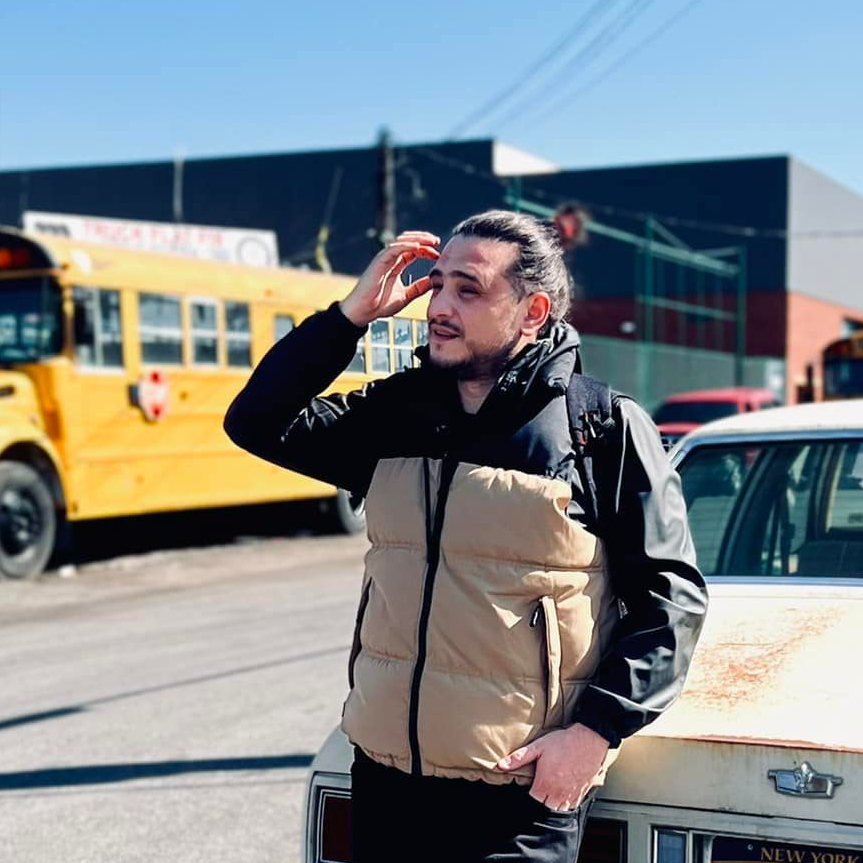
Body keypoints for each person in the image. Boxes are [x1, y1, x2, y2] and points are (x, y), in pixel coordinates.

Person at [223, 210, 706, 862]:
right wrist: (348, 317)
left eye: (467, 289)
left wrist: (593, 733)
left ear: (531, 310)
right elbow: (255, 419)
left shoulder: (600, 427)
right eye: (437, 283)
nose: (438, 305)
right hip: (387, 784)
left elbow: (670, 600)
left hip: (515, 799)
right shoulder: (395, 414)